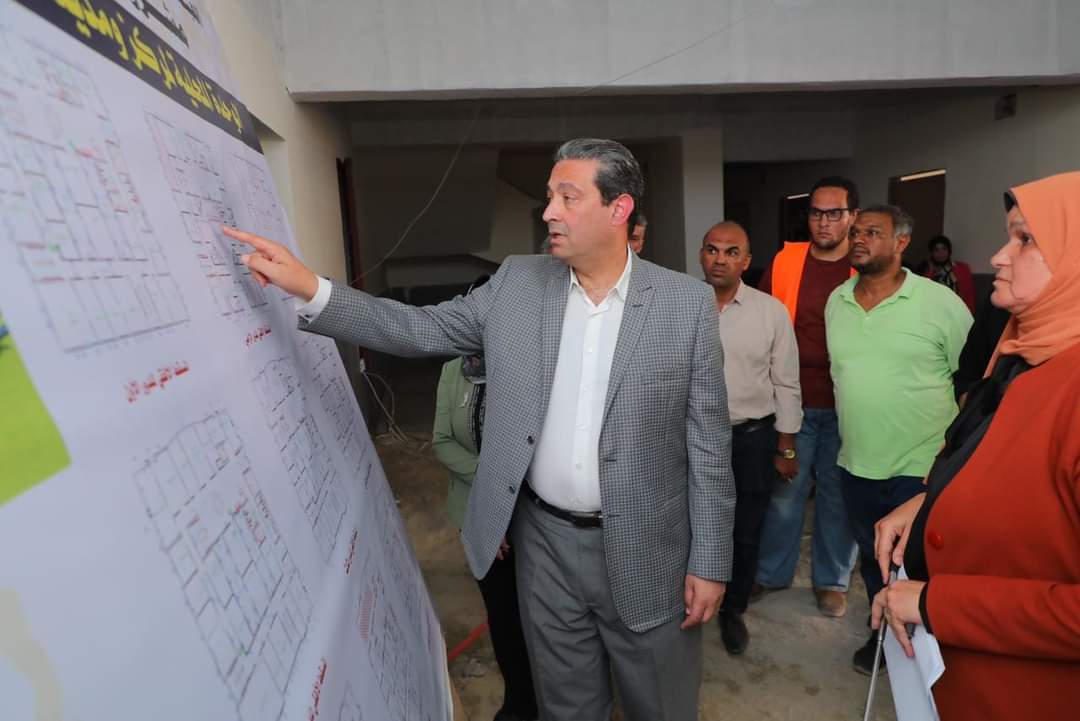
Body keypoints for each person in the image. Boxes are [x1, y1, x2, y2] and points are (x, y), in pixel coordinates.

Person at [225, 138, 735, 721]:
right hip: (544, 544)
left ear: (618, 209)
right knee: (564, 705)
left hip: (649, 547)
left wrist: (710, 560)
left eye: (568, 197)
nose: (549, 212)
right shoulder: (518, 282)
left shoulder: (685, 305)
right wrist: (310, 287)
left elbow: (708, 446)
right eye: (549, 196)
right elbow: (420, 328)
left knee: (661, 705)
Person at [873, 171, 1080, 720]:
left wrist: (934, 602)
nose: (1000, 256)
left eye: (1025, 239)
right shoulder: (1025, 352)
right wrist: (929, 502)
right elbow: (999, 463)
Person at [824, 204, 972, 674]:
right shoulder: (837, 300)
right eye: (855, 231)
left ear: (901, 243)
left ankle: (935, 655)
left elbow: (973, 384)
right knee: (873, 560)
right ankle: (884, 635)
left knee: (916, 562)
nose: (858, 239)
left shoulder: (940, 303)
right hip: (856, 461)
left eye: (872, 232)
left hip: (922, 464)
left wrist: (957, 458)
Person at [431, 279, 537, 721]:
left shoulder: (532, 367)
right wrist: (490, 493)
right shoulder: (453, 370)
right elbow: (442, 441)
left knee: (546, 618)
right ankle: (521, 703)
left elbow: (537, 451)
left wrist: (505, 504)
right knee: (504, 616)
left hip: (530, 515)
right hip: (475, 512)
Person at [755, 176, 860, 618]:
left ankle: (832, 580)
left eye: (834, 213)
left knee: (837, 497)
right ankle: (771, 573)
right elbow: (760, 319)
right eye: (817, 212)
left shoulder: (866, 263)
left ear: (853, 216)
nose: (824, 222)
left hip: (849, 405)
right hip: (791, 402)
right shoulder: (786, 261)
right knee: (785, 494)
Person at [699, 222, 801, 656]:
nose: (720, 259)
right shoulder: (683, 306)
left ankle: (733, 609)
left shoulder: (770, 312)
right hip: (693, 438)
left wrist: (786, 447)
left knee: (745, 530)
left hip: (752, 440)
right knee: (688, 524)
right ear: (701, 256)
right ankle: (685, 600)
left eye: (731, 252)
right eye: (712, 250)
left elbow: (787, 384)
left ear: (746, 261)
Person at [917, 235, 976, 313]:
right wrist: (931, 270)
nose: (941, 253)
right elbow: (924, 293)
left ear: (949, 251)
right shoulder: (926, 270)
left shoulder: (962, 268)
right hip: (934, 311)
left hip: (958, 310)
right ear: (931, 253)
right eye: (936, 250)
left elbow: (969, 294)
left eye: (944, 249)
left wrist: (969, 313)